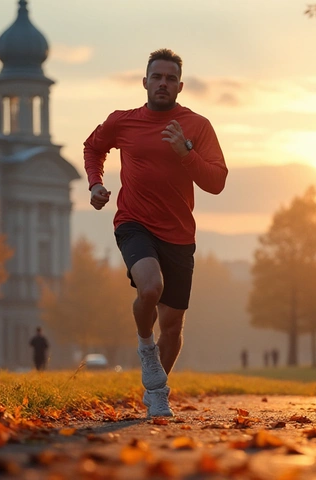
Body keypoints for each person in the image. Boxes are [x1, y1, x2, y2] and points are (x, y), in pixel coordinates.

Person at [83, 48, 228, 417]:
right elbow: (93, 147)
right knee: (150, 287)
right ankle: (146, 350)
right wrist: (95, 184)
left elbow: (217, 182)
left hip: (179, 232)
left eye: (170, 79)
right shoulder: (122, 121)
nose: (163, 83)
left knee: (174, 324)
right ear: (145, 82)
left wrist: (185, 152)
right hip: (134, 222)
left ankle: (157, 390)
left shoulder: (197, 126)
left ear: (180, 86)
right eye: (157, 77)